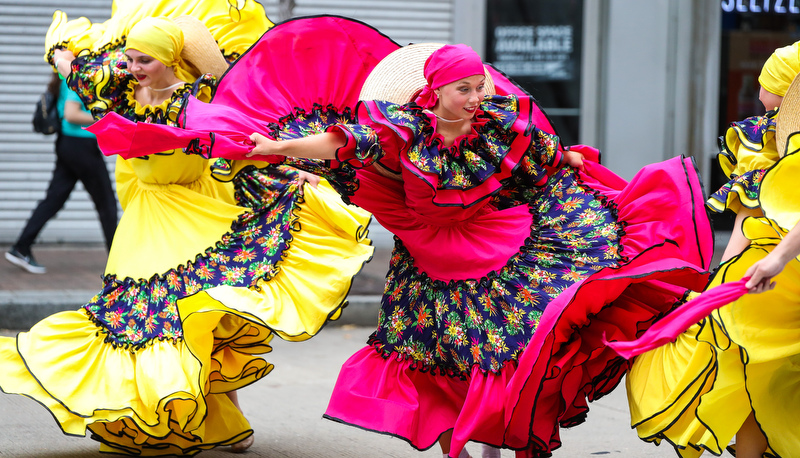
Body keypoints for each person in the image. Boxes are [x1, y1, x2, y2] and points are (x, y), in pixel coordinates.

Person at [88, 20, 714, 457]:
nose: (478, 96)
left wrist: (576, 166)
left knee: (526, 347)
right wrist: (275, 146)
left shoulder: (498, 122)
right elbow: (338, 143)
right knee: (447, 362)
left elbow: (544, 161)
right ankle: (464, 446)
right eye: (464, 88)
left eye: (480, 86)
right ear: (432, 91)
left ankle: (510, 439)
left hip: (504, 247)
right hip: (433, 262)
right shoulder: (398, 129)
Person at [0, 3, 376, 456]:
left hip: (196, 211)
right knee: (133, 315)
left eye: (146, 60)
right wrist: (60, 48)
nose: (134, 68)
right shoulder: (120, 86)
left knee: (199, 313)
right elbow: (73, 69)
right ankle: (147, 414)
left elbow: (241, 144)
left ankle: (227, 419)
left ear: (171, 59)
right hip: (145, 215)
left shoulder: (195, 102)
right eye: (132, 57)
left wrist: (294, 171)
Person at [619, 40, 800, 458]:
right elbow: (745, 219)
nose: (761, 94)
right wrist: (726, 279)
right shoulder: (761, 138)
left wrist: (724, 277)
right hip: (768, 277)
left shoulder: (763, 138)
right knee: (762, 376)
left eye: (769, 84)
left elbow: (743, 220)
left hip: (769, 275)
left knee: (760, 375)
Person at [5, 73, 117, 274]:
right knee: (107, 204)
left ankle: (21, 248)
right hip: (80, 145)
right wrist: (107, 118)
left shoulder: (69, 73)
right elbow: (71, 114)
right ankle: (119, 264)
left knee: (54, 199)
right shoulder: (79, 75)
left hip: (70, 144)